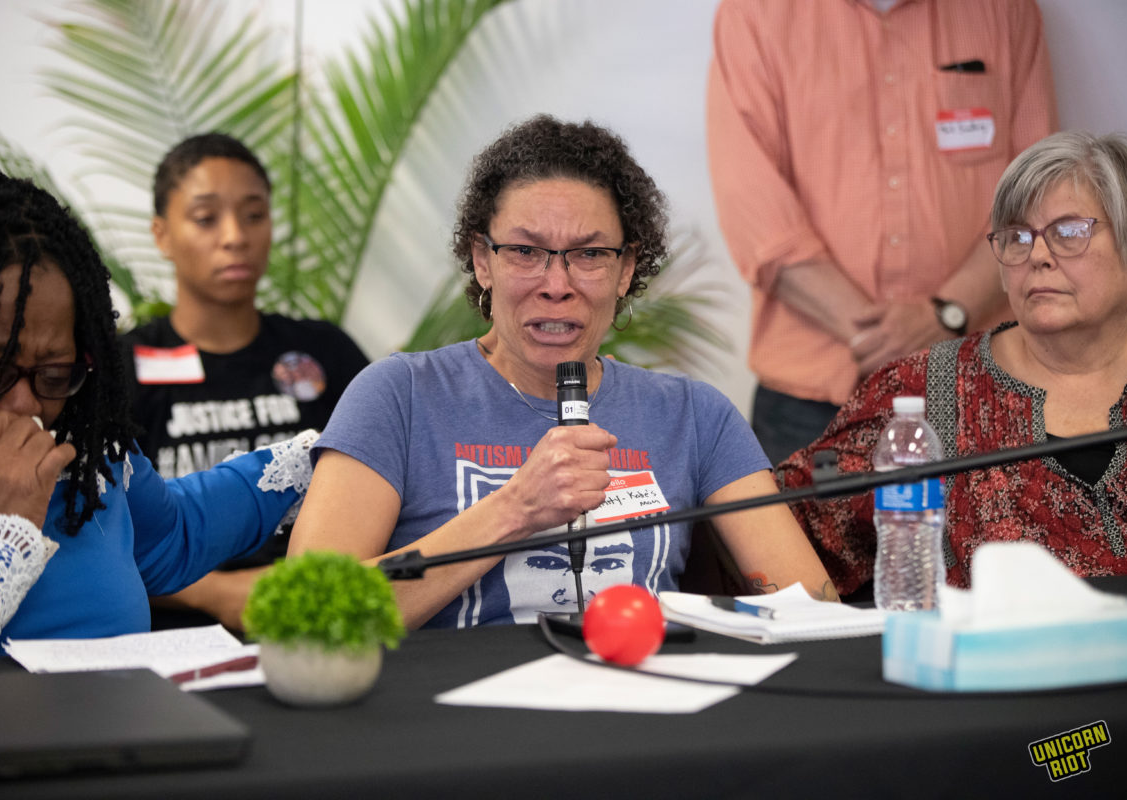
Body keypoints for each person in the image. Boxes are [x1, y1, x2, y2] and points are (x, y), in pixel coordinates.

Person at [290, 115, 835, 629]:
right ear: (484, 261)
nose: (556, 283)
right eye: (526, 251)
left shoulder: (692, 414)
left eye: (590, 254)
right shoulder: (400, 396)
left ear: (625, 270)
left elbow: (812, 608)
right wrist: (515, 510)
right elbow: (308, 613)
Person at [0, 167, 315, 657]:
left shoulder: (87, 457)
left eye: (54, 374)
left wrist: (322, 455)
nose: (25, 405)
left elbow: (177, 530)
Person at [780, 131, 1127, 597]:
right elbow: (790, 519)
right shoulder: (918, 391)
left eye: (1068, 233)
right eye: (1017, 238)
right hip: (983, 666)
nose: (1038, 256)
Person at [707, 0, 1057, 465]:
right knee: (793, 542)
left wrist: (945, 314)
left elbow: (1035, 197)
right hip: (809, 402)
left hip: (977, 384)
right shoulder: (755, 14)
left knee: (990, 542)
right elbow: (753, 207)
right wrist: (879, 337)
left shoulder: (1005, 10)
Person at [120, 133, 368, 630]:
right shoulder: (120, 367)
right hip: (174, 640)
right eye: (206, 218)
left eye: (254, 214)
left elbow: (387, 482)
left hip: (318, 620)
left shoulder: (327, 352)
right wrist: (214, 593)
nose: (235, 236)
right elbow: (95, 527)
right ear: (162, 234)